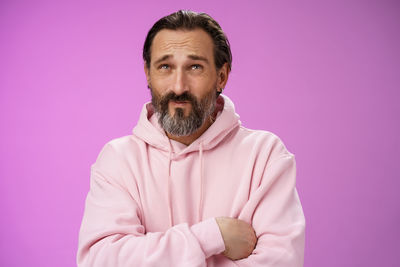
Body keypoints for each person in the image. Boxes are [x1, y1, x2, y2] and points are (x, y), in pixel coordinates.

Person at [77, 10, 305, 267]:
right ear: (148, 74)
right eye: (165, 67)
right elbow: (101, 260)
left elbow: (281, 261)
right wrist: (212, 235)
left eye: (195, 67)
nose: (178, 86)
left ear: (221, 76)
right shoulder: (118, 160)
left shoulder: (265, 156)